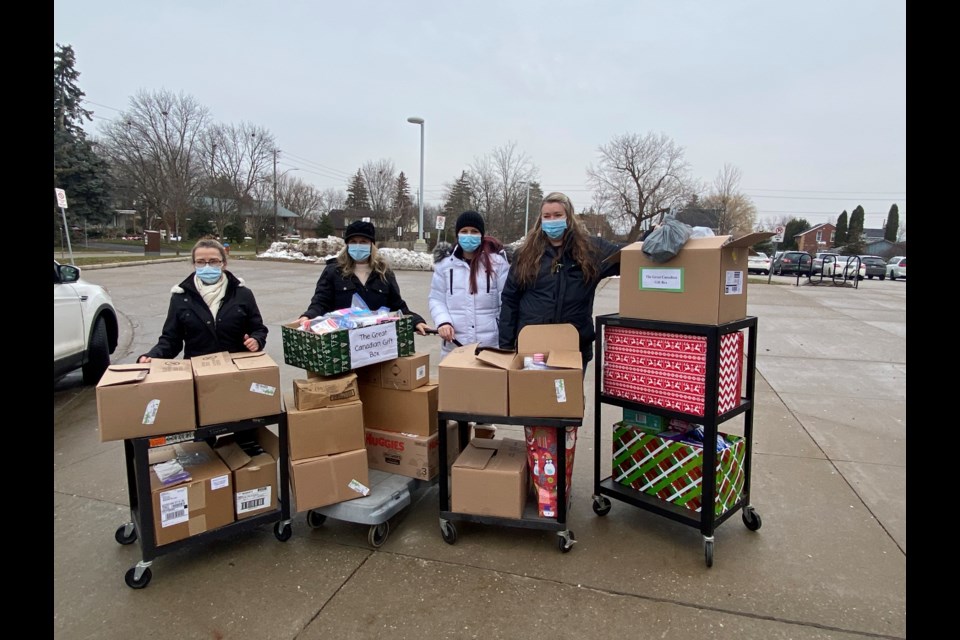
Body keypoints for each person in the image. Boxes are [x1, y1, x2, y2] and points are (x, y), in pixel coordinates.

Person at [498, 191, 622, 371]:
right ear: (540, 220)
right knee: (531, 398)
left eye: (557, 215)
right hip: (533, 347)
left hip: (574, 345)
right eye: (547, 216)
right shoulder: (525, 254)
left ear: (569, 217)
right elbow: (510, 299)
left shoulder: (592, 250)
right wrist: (506, 346)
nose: (552, 220)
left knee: (567, 398)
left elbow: (627, 258)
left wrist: (653, 236)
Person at [138, 238, 267, 362]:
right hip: (199, 370)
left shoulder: (242, 294)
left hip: (236, 369)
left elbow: (259, 329)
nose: (207, 266)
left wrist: (256, 340)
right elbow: (171, 340)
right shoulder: (181, 297)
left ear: (223, 263)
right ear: (194, 264)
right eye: (200, 262)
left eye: (213, 261)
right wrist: (153, 356)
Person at [298, 220, 430, 334]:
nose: (358, 245)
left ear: (371, 245)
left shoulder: (384, 273)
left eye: (363, 241)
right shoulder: (333, 271)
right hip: (342, 341)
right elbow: (321, 302)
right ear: (347, 245)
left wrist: (416, 321)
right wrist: (307, 316)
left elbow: (397, 307)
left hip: (376, 341)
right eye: (353, 242)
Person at [428, 210, 511, 359]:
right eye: (464, 231)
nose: (469, 235)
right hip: (455, 345)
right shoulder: (445, 265)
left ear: (481, 234)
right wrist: (443, 322)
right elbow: (436, 298)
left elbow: (506, 302)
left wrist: (503, 334)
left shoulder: (497, 264)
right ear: (457, 234)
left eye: (474, 231)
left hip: (489, 347)